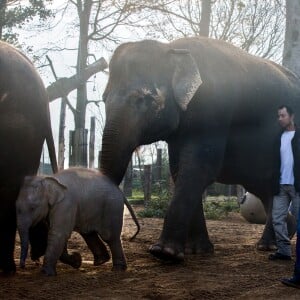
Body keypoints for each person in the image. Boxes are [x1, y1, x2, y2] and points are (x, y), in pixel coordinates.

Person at [269, 105, 300, 262]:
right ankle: (284, 252)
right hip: (281, 185)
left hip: (297, 186)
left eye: (283, 115)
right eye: (278, 116)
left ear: (292, 116)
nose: (280, 119)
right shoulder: (278, 137)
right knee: (277, 218)